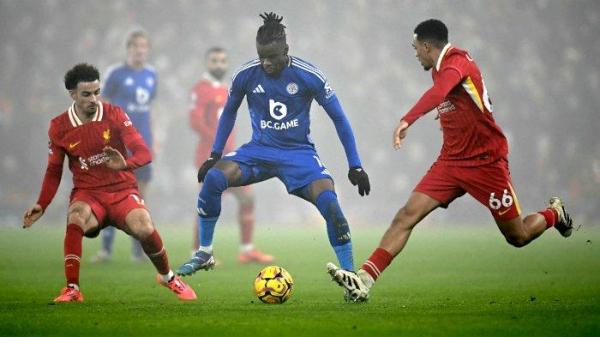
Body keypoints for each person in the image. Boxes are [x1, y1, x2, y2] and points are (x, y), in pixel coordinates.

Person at [327, 19, 574, 302]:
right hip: (451, 162)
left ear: (427, 46)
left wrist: (408, 119)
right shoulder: (442, 70)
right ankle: (364, 280)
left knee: (517, 236)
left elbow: (440, 92)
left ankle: (555, 214)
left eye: (415, 48)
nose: (415, 54)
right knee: (407, 215)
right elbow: (462, 97)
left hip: (486, 163)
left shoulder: (457, 62)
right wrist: (450, 115)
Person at [176, 13, 371, 296]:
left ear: (286, 51)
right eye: (261, 56)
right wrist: (214, 154)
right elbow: (229, 111)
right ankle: (204, 252)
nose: (266, 63)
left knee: (331, 204)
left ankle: (351, 278)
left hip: (299, 154)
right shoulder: (246, 74)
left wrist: (355, 166)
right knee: (215, 179)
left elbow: (340, 119)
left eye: (271, 57)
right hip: (259, 150)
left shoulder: (309, 76)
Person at [23, 63, 196, 302]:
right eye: (86, 94)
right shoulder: (59, 126)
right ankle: (72, 289)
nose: (94, 99)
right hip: (89, 194)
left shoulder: (114, 114)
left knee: (145, 226)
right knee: (76, 216)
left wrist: (124, 163)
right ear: (72, 95)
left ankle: (168, 277)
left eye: (97, 92)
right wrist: (42, 204)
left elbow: (144, 153)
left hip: (122, 191)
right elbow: (54, 170)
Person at [189, 47, 273, 264]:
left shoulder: (228, 89)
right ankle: (199, 253)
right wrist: (218, 141)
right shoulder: (200, 90)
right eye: (214, 60)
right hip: (210, 157)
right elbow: (195, 121)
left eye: (222, 61)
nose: (219, 64)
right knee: (207, 202)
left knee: (247, 197)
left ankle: (246, 250)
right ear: (207, 63)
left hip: (232, 157)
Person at [90, 30, 157, 263]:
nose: (140, 50)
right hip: (117, 144)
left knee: (140, 195)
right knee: (111, 194)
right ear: (128, 48)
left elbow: (150, 110)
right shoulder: (115, 74)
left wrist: (153, 141)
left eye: (144, 46)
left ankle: (139, 252)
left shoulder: (151, 75)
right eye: (136, 46)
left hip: (142, 143)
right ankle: (106, 250)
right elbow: (102, 106)